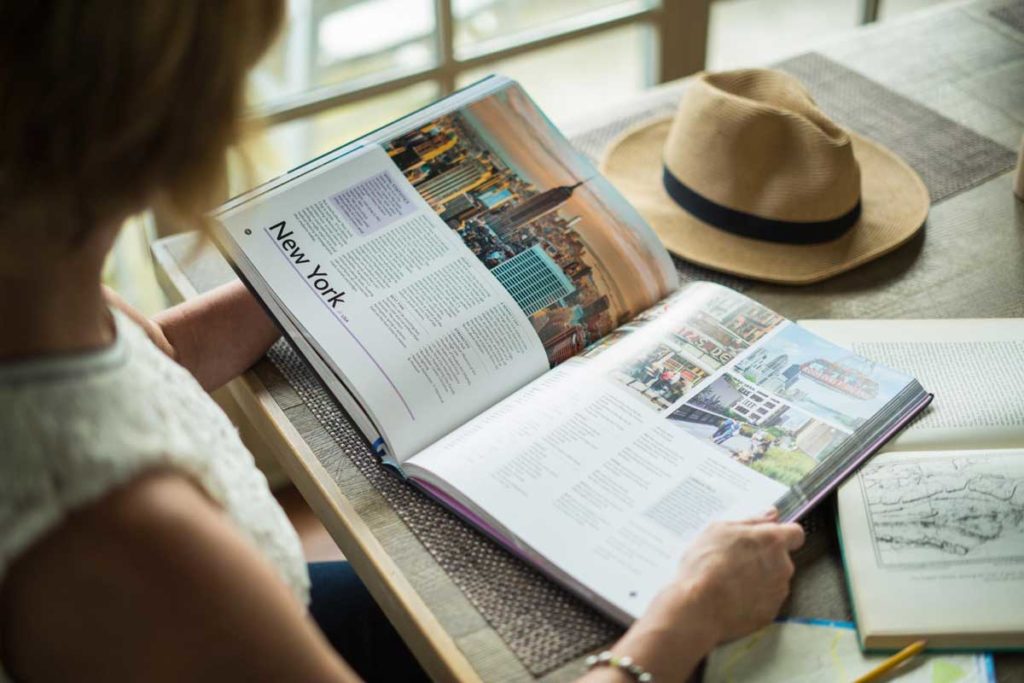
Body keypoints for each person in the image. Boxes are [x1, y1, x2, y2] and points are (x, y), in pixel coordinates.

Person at [0, 3, 804, 681]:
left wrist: (330, 279)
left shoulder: (35, 277)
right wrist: (685, 621)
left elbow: (147, 368)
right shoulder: (129, 536)